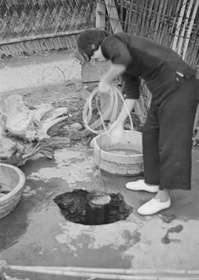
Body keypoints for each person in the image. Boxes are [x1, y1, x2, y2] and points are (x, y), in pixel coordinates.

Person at [77, 29, 199, 216]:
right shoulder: (120, 59)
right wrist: (118, 123)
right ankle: (152, 182)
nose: (95, 61)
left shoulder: (113, 42)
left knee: (169, 144)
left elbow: (122, 60)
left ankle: (162, 198)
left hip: (180, 87)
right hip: (163, 91)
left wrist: (105, 80)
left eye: (91, 56)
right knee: (150, 133)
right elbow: (132, 95)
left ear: (94, 46)